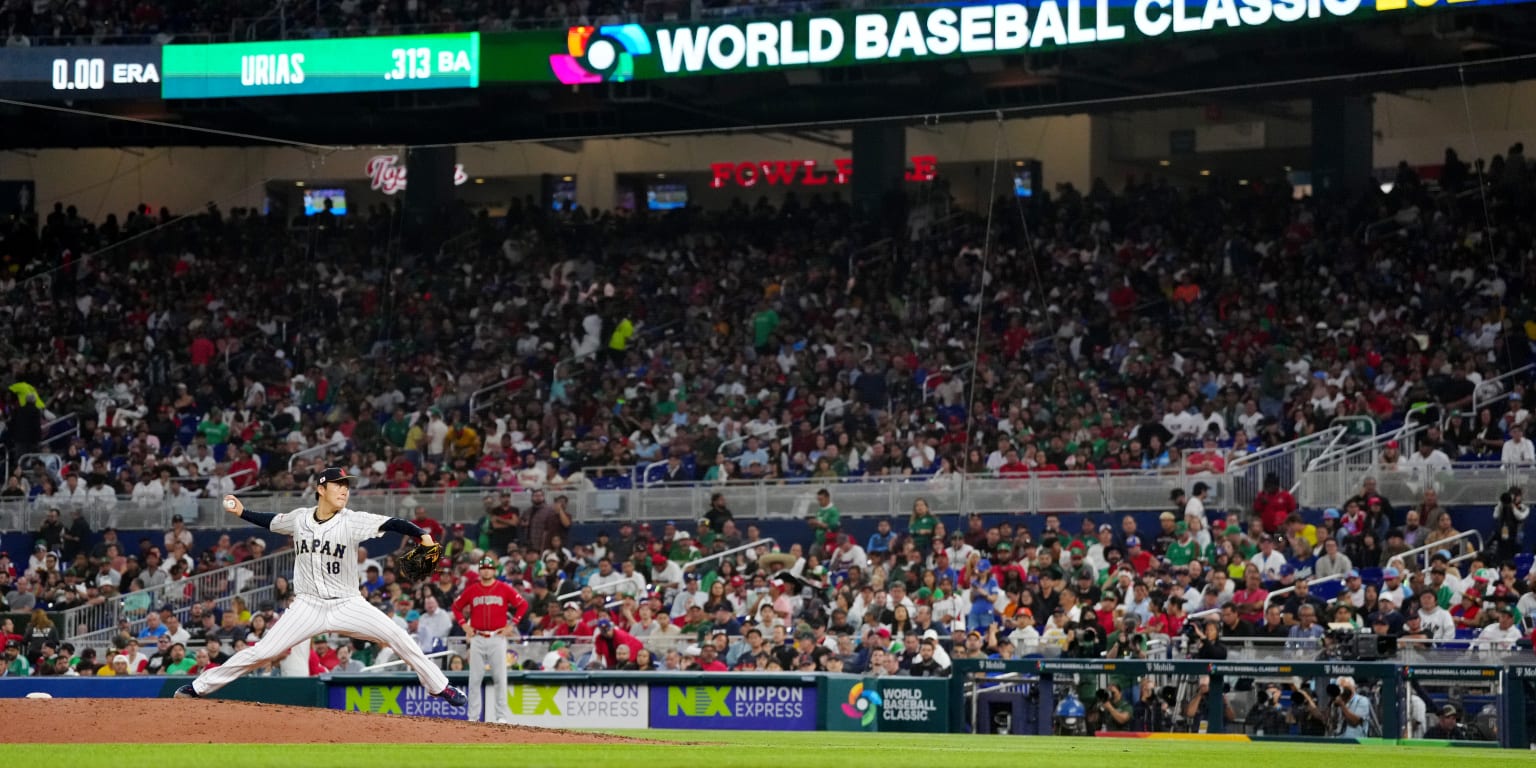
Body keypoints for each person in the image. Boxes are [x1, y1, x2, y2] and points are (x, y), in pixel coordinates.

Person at [174, 468, 466, 707]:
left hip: (347, 603)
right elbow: (273, 522)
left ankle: (440, 687)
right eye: (338, 485)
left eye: (347, 486)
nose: (344, 490)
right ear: (321, 489)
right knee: (263, 651)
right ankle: (198, 688)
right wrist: (242, 512)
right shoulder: (300, 518)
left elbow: (393, 522)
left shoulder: (352, 521)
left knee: (398, 636)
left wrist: (422, 536)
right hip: (307, 605)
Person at [451, 555, 529, 723]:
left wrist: (512, 625)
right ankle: (473, 717)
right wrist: (464, 625)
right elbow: (456, 607)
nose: (486, 570)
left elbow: (522, 605)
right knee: (475, 679)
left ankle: (501, 717)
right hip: (478, 636)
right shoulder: (472, 589)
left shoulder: (503, 588)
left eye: (489, 568)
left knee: (500, 678)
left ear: (494, 570)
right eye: (483, 568)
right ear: (480, 571)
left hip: (497, 636)